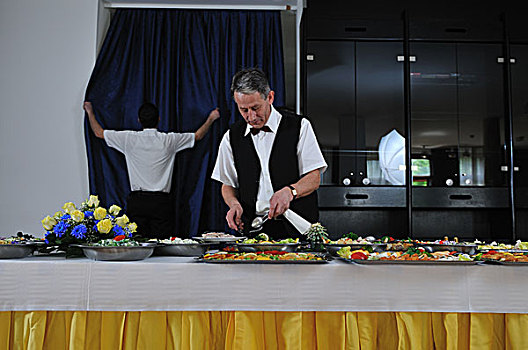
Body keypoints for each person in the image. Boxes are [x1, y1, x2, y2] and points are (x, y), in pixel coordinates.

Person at [211, 68, 327, 239]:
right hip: (254, 230)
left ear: (270, 97)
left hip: (298, 229)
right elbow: (227, 184)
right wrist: (234, 204)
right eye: (244, 110)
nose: (251, 116)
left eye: (255, 108)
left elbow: (314, 177)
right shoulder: (231, 136)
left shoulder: (300, 126)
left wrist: (290, 192)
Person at [84, 101, 220, 239]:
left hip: (137, 201)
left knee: (137, 245)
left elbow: (98, 133)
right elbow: (197, 136)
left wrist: (90, 111)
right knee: (162, 246)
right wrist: (212, 117)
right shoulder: (169, 140)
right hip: (161, 203)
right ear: (159, 119)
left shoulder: (129, 139)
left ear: (139, 120)